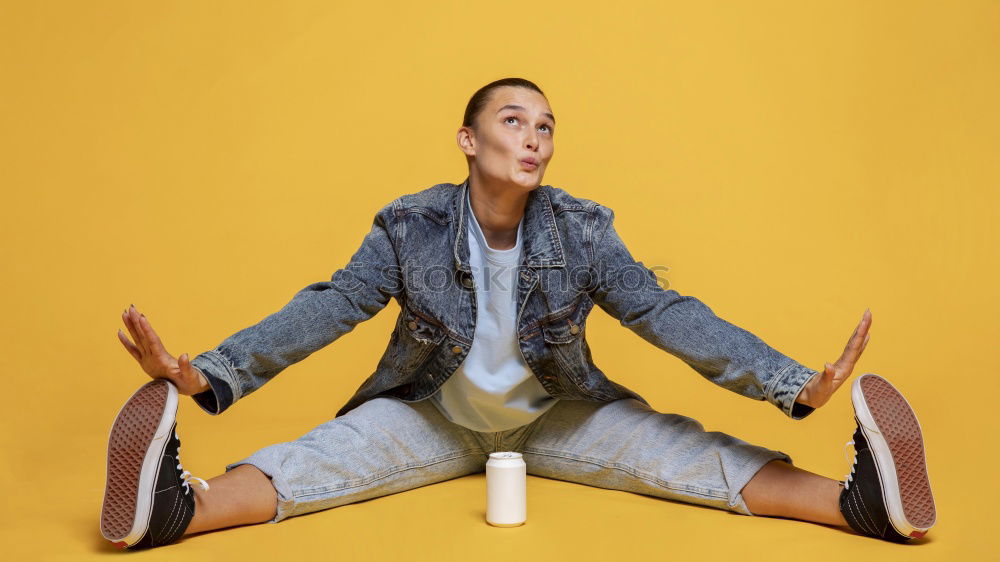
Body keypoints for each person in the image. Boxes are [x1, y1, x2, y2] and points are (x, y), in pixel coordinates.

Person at [101, 78, 936, 550]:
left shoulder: (581, 228)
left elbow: (662, 311)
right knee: (311, 463)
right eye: (512, 122)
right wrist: (205, 372)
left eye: (545, 127)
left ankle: (859, 503)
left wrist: (793, 383)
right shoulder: (409, 225)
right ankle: (175, 509)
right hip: (428, 416)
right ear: (468, 140)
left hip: (557, 417)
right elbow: (332, 307)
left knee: (696, 458)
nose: (533, 139)